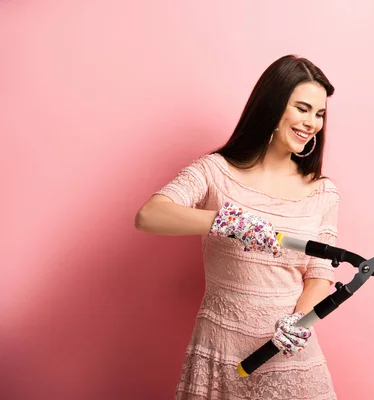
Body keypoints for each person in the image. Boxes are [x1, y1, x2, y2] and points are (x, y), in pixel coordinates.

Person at [135, 54, 340, 400]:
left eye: (319, 113)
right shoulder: (216, 172)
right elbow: (149, 215)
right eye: (302, 109)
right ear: (273, 107)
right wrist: (226, 222)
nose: (312, 123)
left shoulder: (322, 192)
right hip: (221, 351)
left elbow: (320, 274)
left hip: (286, 356)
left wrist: (300, 322)